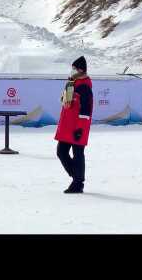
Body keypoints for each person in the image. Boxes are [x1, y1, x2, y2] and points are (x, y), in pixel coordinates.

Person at [54, 56, 93, 193]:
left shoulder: (84, 86)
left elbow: (86, 110)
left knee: (78, 153)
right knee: (61, 152)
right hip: (68, 125)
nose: (72, 70)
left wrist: (80, 129)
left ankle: (78, 183)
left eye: (75, 68)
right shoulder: (72, 83)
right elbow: (66, 102)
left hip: (77, 127)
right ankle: (77, 178)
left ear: (81, 70)